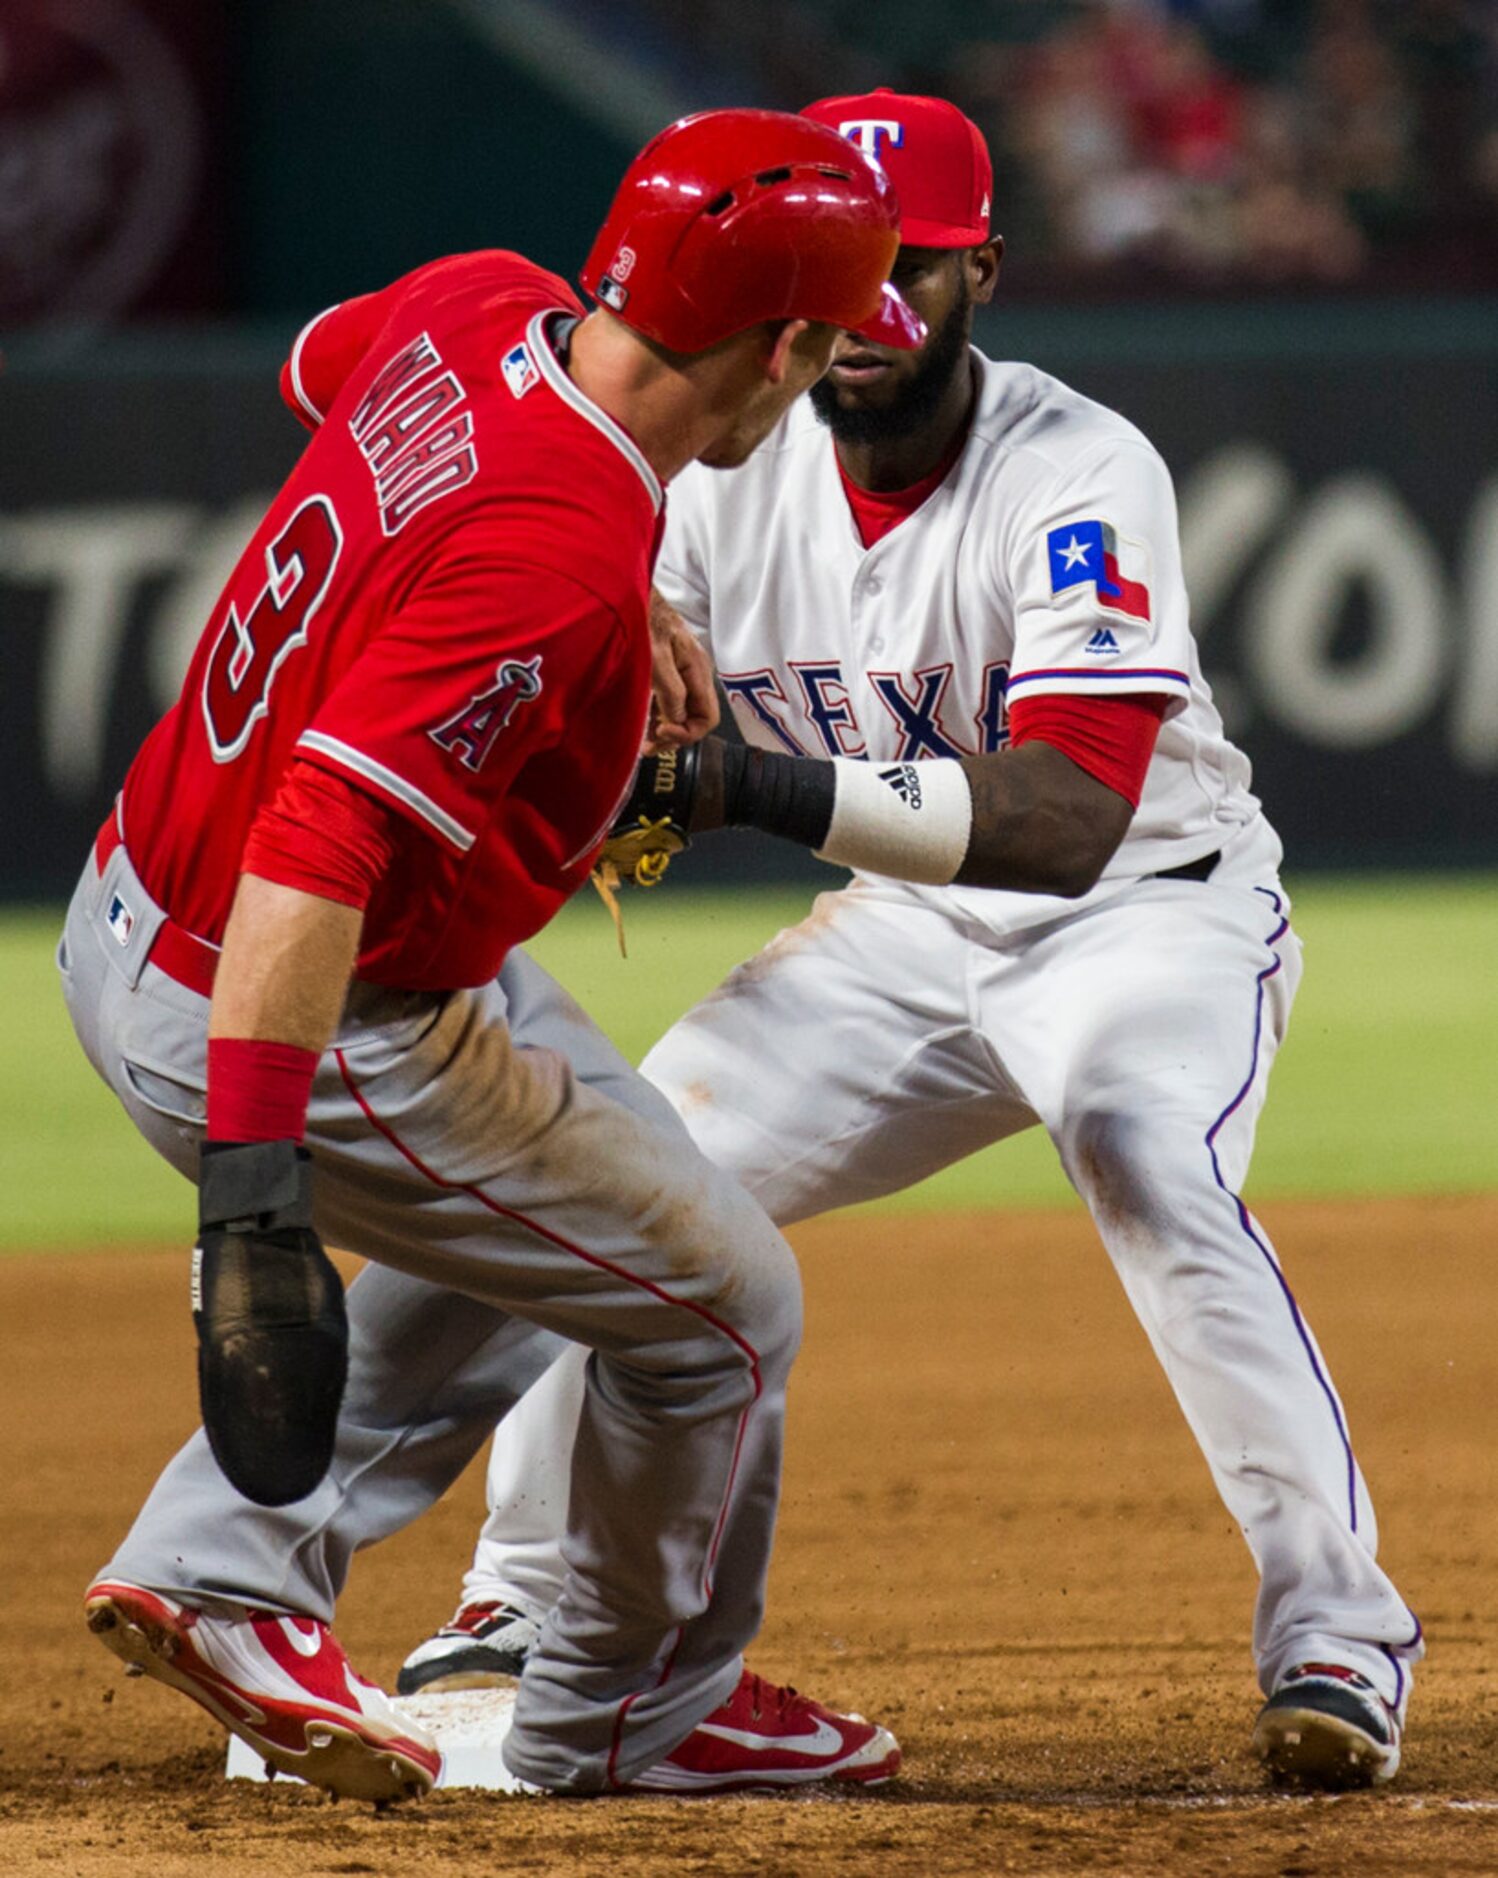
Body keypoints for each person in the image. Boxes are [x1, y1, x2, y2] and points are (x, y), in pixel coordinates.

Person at [396, 89, 1423, 1793]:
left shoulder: (1076, 467)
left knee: (1143, 1150)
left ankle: (1334, 1626)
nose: (867, 315)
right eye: (838, 272)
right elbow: (624, 724)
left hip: (1138, 915)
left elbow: (1067, 814)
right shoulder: (734, 468)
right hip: (896, 934)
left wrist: (733, 779)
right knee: (627, 1166)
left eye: (911, 271)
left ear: (983, 273)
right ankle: (514, 1601)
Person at [60, 108, 927, 1804]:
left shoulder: (481, 305)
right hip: (286, 996)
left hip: (138, 891)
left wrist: (609, 580)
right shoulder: (554, 557)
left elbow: (332, 379)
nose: (828, 374)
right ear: (786, 345)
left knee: (575, 1217)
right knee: (726, 1319)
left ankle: (221, 1563)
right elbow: (319, 842)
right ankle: (627, 1712)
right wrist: (251, 1204)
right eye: (826, 346)